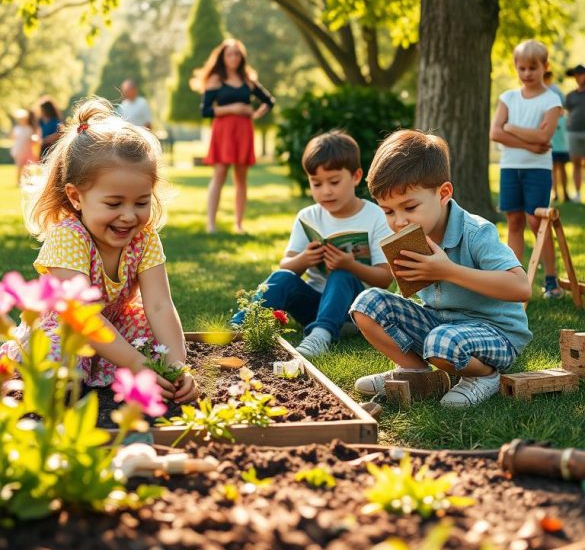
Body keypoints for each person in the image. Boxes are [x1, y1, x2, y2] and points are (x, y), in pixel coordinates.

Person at [0, 97, 197, 403]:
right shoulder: (68, 237)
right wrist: (135, 363)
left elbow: (159, 305)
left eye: (141, 202)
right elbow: (83, 315)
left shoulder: (144, 238)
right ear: (76, 197)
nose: (129, 216)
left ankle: (144, 376)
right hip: (70, 329)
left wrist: (177, 367)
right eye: (114, 203)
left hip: (116, 331)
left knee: (155, 341)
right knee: (58, 360)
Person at [351, 129, 532, 408]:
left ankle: (484, 376)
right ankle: (416, 373)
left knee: (441, 341)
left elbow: (521, 288)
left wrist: (448, 271)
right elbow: (412, 299)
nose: (399, 221)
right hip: (442, 327)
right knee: (366, 304)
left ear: (443, 193)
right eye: (388, 211)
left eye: (409, 207)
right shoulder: (412, 238)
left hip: (495, 333)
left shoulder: (476, 232)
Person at [231, 130, 393, 359]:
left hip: (357, 310)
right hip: (313, 306)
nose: (326, 191)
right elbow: (286, 265)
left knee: (342, 274)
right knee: (282, 277)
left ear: (356, 176)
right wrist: (304, 260)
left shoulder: (376, 216)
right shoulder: (308, 216)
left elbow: (385, 278)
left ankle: (320, 336)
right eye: (316, 183)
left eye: (334, 182)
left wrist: (350, 265)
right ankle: (240, 326)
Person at [490, 39, 563, 299]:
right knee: (514, 221)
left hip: (537, 170)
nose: (527, 73)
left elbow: (544, 137)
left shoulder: (551, 100)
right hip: (510, 168)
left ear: (545, 66)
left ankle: (551, 280)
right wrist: (529, 143)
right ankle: (515, 278)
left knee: (536, 222)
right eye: (522, 68)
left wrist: (511, 128)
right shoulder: (508, 98)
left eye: (533, 68)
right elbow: (495, 132)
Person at [197, 38, 275, 234]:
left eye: (237, 54)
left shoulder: (247, 80)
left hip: (243, 131)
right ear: (223, 57)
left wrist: (254, 114)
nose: (234, 58)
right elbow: (205, 111)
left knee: (241, 179)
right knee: (219, 174)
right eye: (230, 54)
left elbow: (269, 101)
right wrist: (232, 108)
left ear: (242, 57)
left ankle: (239, 224)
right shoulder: (216, 79)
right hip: (223, 131)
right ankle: (211, 224)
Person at [544, 70, 569, 203]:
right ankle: (555, 193)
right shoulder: (543, 90)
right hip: (552, 144)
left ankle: (565, 192)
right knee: (553, 168)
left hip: (562, 145)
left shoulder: (555, 90)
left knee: (562, 168)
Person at [565, 63, 585, 204]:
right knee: (576, 164)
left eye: (581, 74)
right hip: (574, 133)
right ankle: (577, 194)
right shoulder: (571, 96)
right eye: (576, 75)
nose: (578, 78)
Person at [10, 108, 38, 185]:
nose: (22, 121)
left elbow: (32, 140)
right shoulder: (17, 129)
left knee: (28, 166)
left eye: (24, 119)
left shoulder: (29, 129)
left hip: (28, 150)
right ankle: (18, 181)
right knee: (19, 166)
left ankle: (27, 180)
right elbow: (14, 140)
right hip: (19, 150)